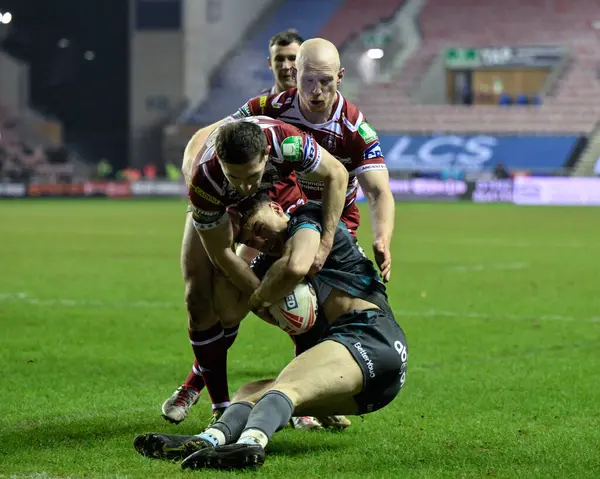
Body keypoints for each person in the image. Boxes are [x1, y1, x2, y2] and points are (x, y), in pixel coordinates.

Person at [165, 38, 396, 425]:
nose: (315, 90)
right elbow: (219, 133)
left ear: (340, 77)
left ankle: (303, 398)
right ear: (293, 75)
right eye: (307, 79)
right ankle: (205, 389)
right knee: (214, 297)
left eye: (324, 81)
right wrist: (195, 160)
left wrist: (380, 236)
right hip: (264, 212)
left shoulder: (353, 128)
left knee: (316, 305)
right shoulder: (266, 113)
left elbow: (376, 189)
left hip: (327, 218)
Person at [133, 195, 408, 469]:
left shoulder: (309, 218)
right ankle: (207, 440)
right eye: (251, 242)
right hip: (367, 390)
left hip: (372, 336)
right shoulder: (268, 261)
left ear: (276, 208)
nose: (260, 242)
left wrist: (257, 298)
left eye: (260, 230)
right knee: (249, 392)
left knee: (286, 386)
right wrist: (224, 252)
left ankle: (251, 444)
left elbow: (297, 266)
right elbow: (229, 312)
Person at [162, 116, 348, 428]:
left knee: (302, 277)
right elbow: (222, 253)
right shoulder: (206, 181)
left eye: (251, 176)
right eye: (236, 177)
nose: (246, 186)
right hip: (224, 207)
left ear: (265, 157)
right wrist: (261, 300)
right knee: (202, 299)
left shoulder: (288, 144)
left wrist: (326, 242)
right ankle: (221, 406)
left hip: (281, 194)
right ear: (220, 162)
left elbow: (337, 174)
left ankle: (306, 399)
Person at [263, 29, 303, 95]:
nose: (285, 66)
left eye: (292, 58)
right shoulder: (255, 104)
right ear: (270, 63)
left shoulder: (321, 103)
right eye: (279, 59)